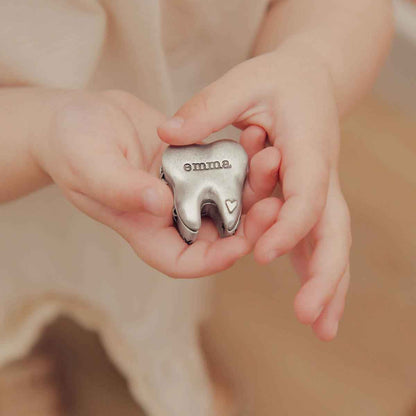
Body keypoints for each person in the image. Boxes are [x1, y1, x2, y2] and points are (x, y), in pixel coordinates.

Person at [0, 0, 393, 415]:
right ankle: (10, 358)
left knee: (159, 285)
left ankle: (166, 343)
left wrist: (310, 64)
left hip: (173, 139)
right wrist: (36, 134)